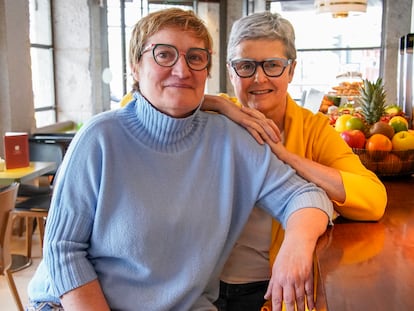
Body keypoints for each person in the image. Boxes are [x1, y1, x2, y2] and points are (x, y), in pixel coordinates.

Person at [26, 8, 333, 311]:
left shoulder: (231, 141)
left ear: (207, 71)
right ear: (135, 66)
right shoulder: (100, 138)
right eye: (164, 54)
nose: (182, 70)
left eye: (195, 57)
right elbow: (63, 249)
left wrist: (297, 244)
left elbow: (307, 195)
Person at [200, 12, 387, 311]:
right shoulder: (214, 116)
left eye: (272, 65)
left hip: (271, 287)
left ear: (291, 70)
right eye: (246, 66)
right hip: (202, 288)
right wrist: (218, 103)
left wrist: (289, 158)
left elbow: (373, 198)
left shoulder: (312, 129)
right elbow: (136, 104)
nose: (259, 78)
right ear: (231, 71)